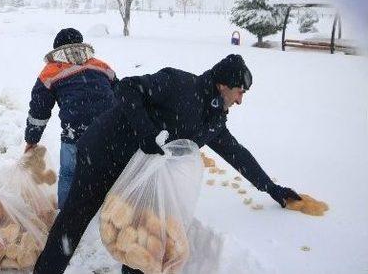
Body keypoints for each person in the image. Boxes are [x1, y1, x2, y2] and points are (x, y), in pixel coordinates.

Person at [33, 54, 301, 274]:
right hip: (103, 153)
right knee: (75, 219)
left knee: (141, 230)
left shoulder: (214, 119)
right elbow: (128, 87)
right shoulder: (179, 84)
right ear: (223, 85)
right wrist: (145, 131)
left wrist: (272, 188)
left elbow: (236, 153)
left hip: (139, 171)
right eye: (240, 92)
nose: (240, 100)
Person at [24, 28, 117, 209]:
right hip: (109, 131)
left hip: (76, 133)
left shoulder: (50, 72)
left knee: (69, 174)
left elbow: (39, 110)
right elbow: (119, 94)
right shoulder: (102, 66)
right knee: (107, 173)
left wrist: (31, 140)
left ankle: (65, 218)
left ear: (56, 50)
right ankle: (108, 213)